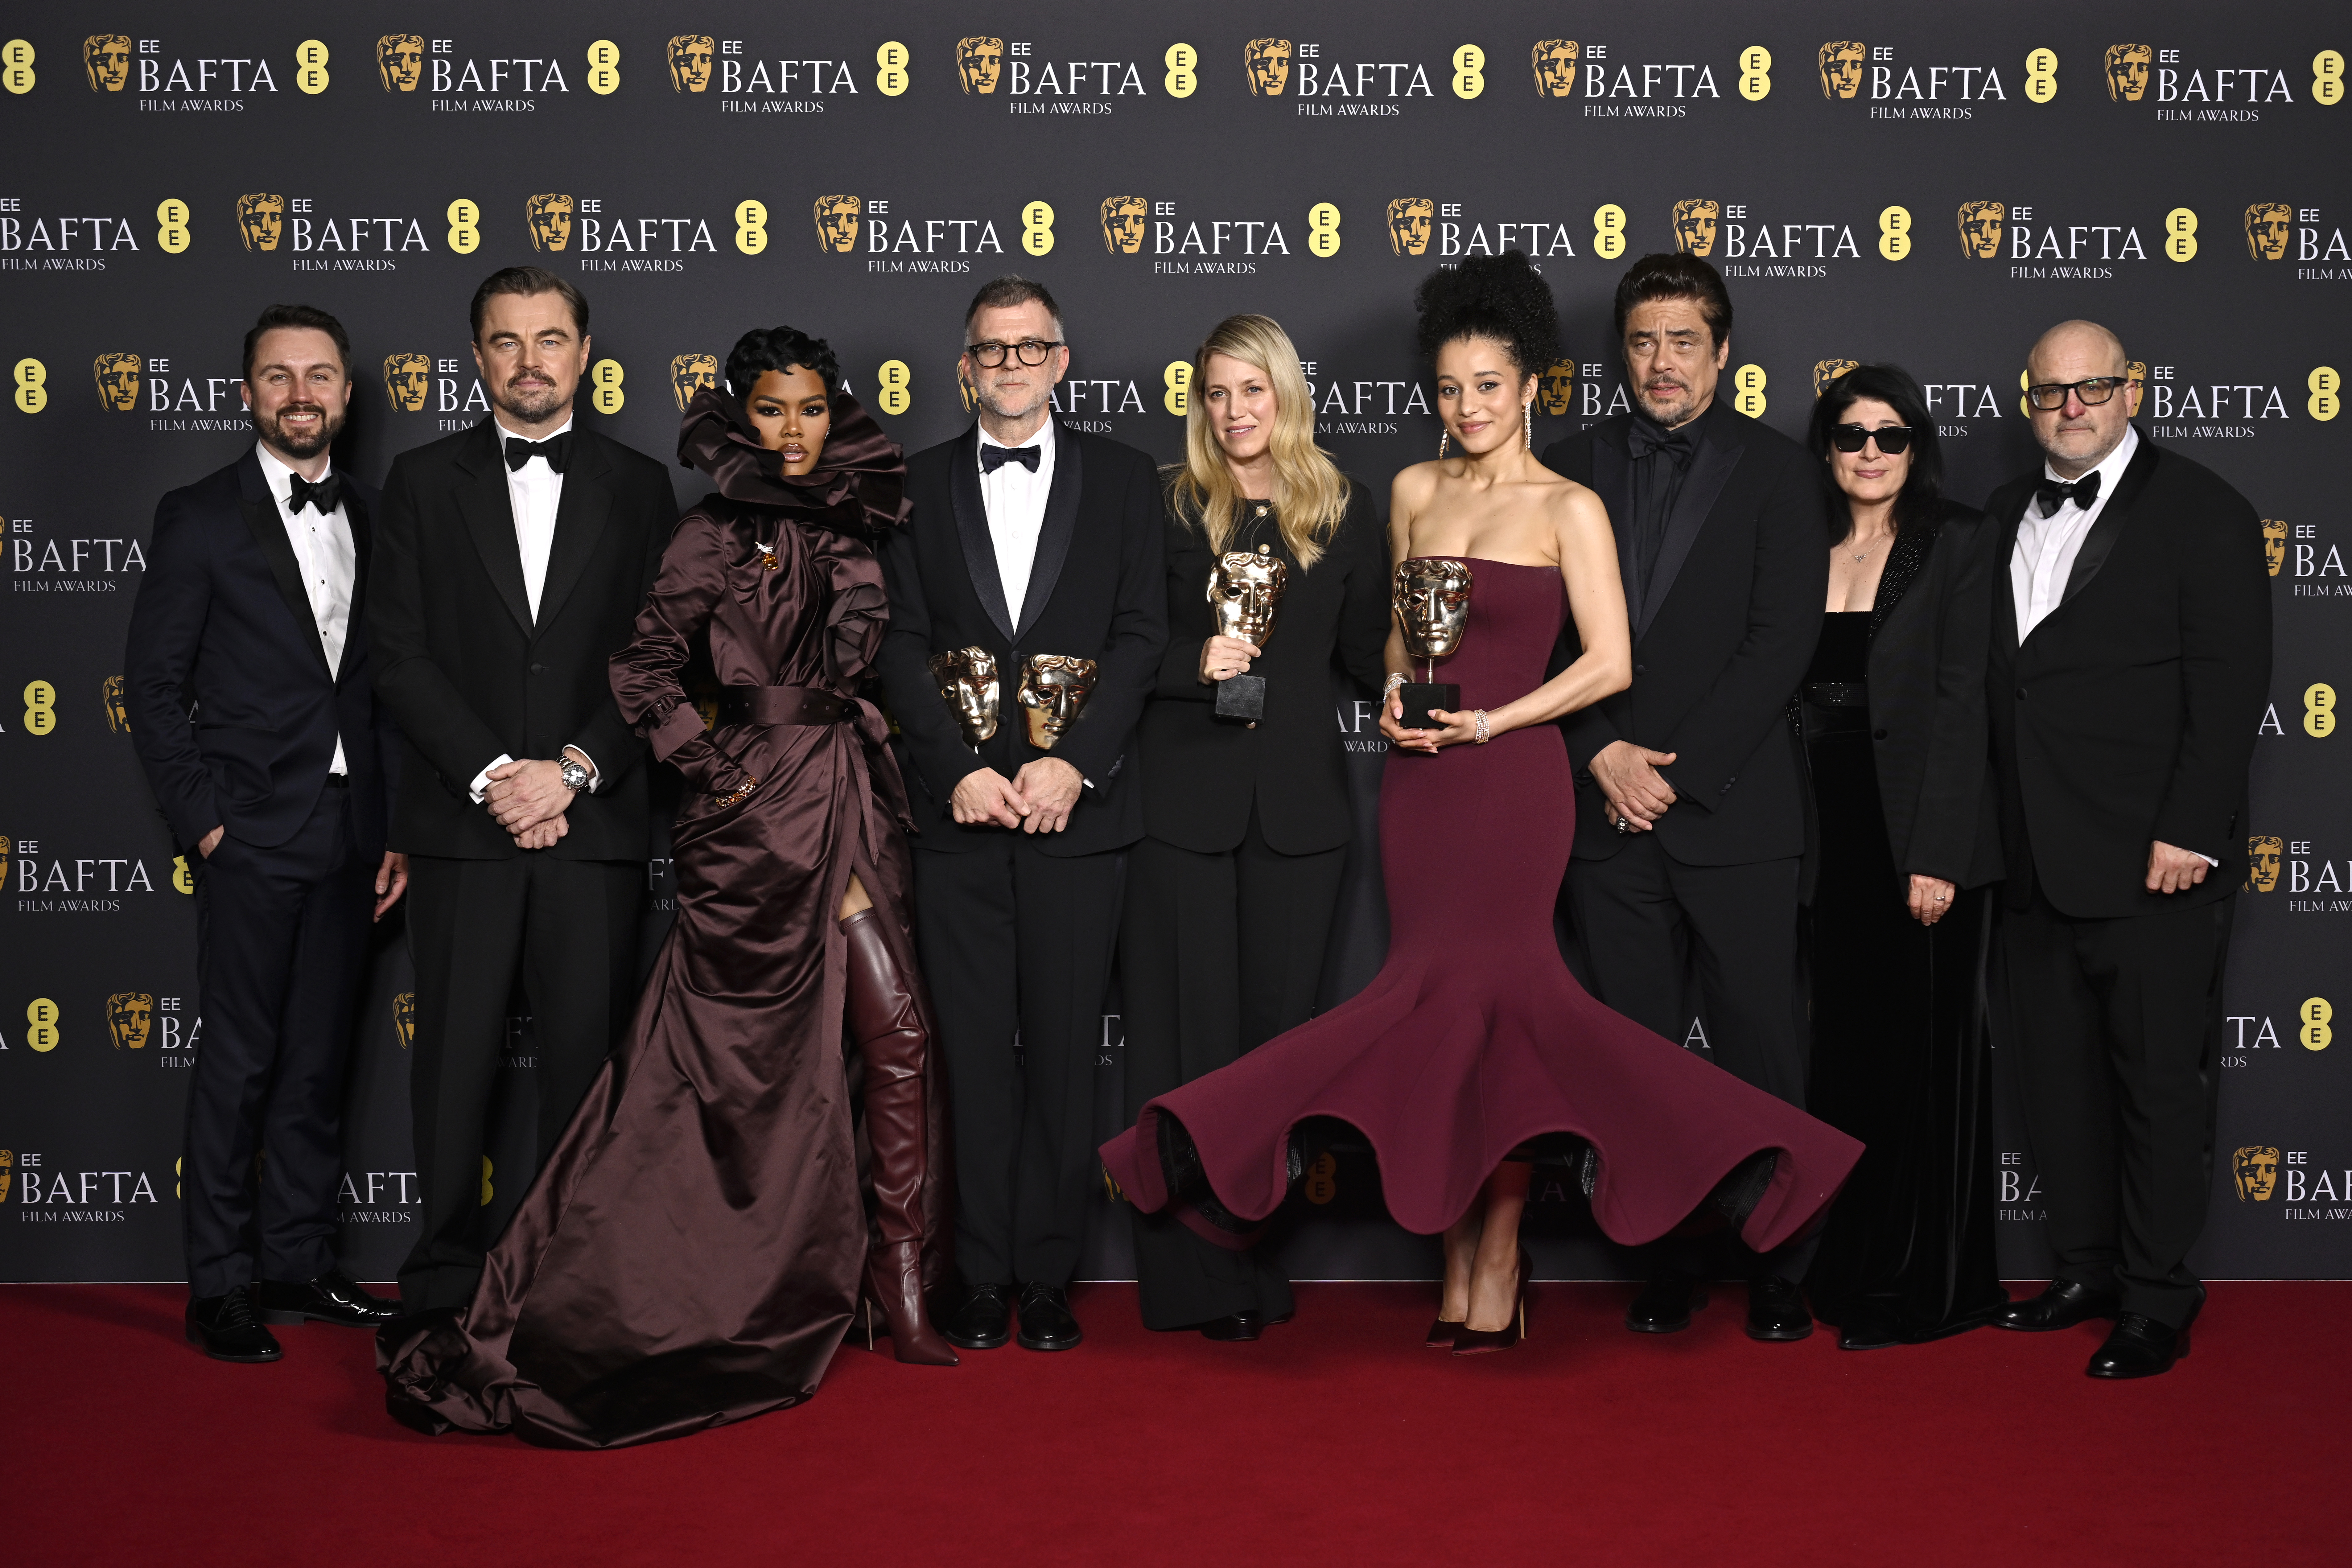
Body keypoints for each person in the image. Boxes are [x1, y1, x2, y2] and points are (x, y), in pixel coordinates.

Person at [1100, 253, 1861, 1355]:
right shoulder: (1410, 492)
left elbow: (1606, 665)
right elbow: (1403, 648)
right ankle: (1456, 1256)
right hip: (1423, 785)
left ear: (1533, 389)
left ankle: (1519, 1249)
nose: (1466, 409)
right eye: (1450, 389)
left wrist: (1499, 724)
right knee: (1432, 1020)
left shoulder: (1570, 506)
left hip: (1511, 783)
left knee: (1511, 1022)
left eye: (1488, 388)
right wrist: (1407, 701)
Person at [381, 328, 953, 1445]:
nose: (794, 430)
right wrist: (721, 771)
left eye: (811, 409)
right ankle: (695, 1282)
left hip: (849, 795)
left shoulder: (865, 515)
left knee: (893, 1038)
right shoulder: (707, 532)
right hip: (754, 823)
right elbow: (641, 670)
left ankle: (900, 1286)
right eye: (773, 410)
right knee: (751, 1069)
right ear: (742, 416)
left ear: (836, 413)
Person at [367, 267, 674, 1316]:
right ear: (476, 357)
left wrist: (574, 774)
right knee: (450, 1070)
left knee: (587, 1074)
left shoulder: (641, 488)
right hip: (466, 828)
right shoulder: (417, 480)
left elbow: (658, 660)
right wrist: (500, 779)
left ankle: (571, 1281)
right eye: (507, 342)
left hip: (592, 830)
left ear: (584, 353)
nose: (530, 360)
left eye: (550, 340)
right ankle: (443, 1282)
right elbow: (397, 655)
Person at [1538, 253, 1831, 1343]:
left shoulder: (1780, 471)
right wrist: (1601, 752)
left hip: (1735, 815)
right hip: (1604, 818)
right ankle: (1659, 1255)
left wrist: (1671, 774)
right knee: (1635, 1056)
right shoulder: (1558, 467)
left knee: (1763, 1053)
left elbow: (1778, 645)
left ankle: (1778, 1264)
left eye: (1683, 342)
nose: (1661, 364)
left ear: (1720, 351)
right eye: (1643, 342)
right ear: (1621, 353)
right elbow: (1543, 641)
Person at [875, 276, 1166, 1352]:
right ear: (964, 366)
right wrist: (949, 767)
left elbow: (1142, 636)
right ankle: (978, 1274)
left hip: (1077, 823)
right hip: (956, 820)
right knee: (970, 1059)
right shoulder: (908, 487)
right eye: (990, 351)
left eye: (1028, 348)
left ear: (1062, 360)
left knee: (1059, 1055)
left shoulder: (1130, 481)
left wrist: (1076, 765)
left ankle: (1046, 1277)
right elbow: (897, 645)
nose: (1009, 366)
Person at [1985, 320, 2270, 1378]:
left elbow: (2231, 687)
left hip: (2154, 861)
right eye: (2053, 391)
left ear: (2132, 390)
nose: (2073, 407)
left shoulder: (2206, 511)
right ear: (2028, 401)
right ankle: (2086, 1269)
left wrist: (2189, 831)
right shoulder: (2005, 514)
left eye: (2092, 387)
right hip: (2027, 859)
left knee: (2156, 1086)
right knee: (2056, 1084)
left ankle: (2156, 1298)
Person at [124, 303, 409, 1361]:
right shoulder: (197, 515)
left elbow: (380, 690)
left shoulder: (377, 515)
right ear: (248, 394)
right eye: (280, 376)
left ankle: (297, 1262)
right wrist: (204, 825)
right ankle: (222, 1286)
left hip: (350, 834)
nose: (302, 393)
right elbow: (152, 687)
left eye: (320, 375)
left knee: (316, 1063)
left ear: (346, 393)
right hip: (248, 834)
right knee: (239, 1061)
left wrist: (390, 829)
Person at [1122, 315, 1391, 1340]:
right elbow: (1116, 652)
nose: (1234, 413)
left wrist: (1444, 689)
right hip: (1181, 812)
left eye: (1253, 391)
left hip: (1299, 819)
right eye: (1216, 394)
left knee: (1273, 1059)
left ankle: (1248, 1267)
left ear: (1286, 394)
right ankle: (1186, 1282)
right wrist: (1195, 664)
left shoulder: (1343, 508)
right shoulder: (1159, 505)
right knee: (1186, 1053)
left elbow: (1370, 657)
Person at [1795, 365, 2006, 1350]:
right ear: (1826, 447)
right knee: (1841, 1060)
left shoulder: (1956, 541)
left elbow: (1965, 705)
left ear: (1915, 447)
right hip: (1818, 836)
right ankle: (1848, 1266)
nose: (1870, 455)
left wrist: (1938, 855)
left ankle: (1922, 1288)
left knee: (1919, 1062)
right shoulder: (1801, 542)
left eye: (1890, 437)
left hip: (1915, 836)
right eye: (1850, 437)